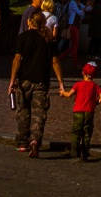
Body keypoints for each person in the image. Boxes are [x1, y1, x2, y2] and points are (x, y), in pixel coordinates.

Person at [9, 8, 67, 158]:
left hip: (24, 80)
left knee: (23, 111)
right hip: (41, 81)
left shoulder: (23, 37)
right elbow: (55, 62)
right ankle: (35, 141)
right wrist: (61, 82)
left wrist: (12, 80)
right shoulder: (48, 39)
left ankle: (22, 142)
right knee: (39, 113)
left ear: (29, 22)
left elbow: (17, 60)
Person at [64, 60, 101, 161]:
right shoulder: (95, 86)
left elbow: (69, 94)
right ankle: (84, 151)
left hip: (78, 111)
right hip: (89, 112)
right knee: (87, 132)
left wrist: (62, 92)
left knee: (76, 130)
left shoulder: (78, 84)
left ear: (83, 73)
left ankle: (74, 147)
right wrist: (95, 103)